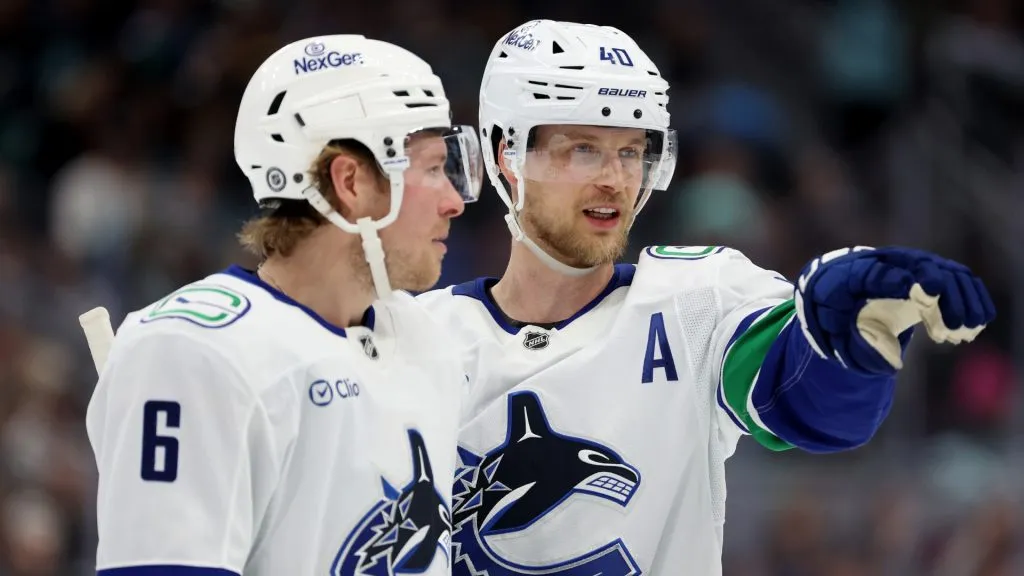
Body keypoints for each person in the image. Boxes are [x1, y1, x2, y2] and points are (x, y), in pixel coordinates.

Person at [417, 20, 996, 575]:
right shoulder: (414, 338)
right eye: (583, 150)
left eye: (631, 152)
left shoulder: (694, 303)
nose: (616, 180)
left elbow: (818, 410)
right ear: (505, 155)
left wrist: (850, 342)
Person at [84, 34, 483, 576]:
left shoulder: (426, 341)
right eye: (434, 167)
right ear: (350, 181)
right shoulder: (192, 352)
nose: (454, 200)